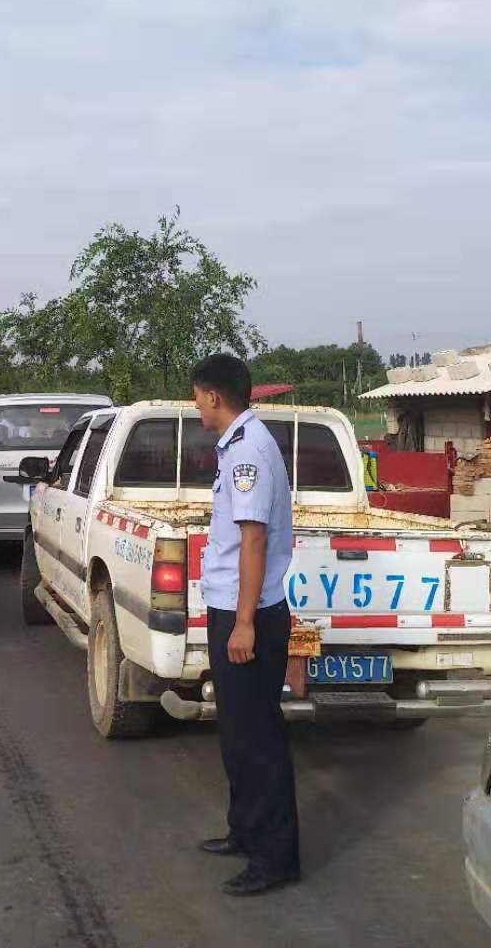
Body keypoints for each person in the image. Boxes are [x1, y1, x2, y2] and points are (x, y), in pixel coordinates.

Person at [190, 353, 299, 896]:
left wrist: (246, 623)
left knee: (257, 739)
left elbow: (253, 539)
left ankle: (275, 857)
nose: (196, 404)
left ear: (213, 396)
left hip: (246, 613)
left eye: (197, 395)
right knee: (237, 732)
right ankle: (245, 831)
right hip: (235, 607)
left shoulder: (247, 451)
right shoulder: (239, 444)